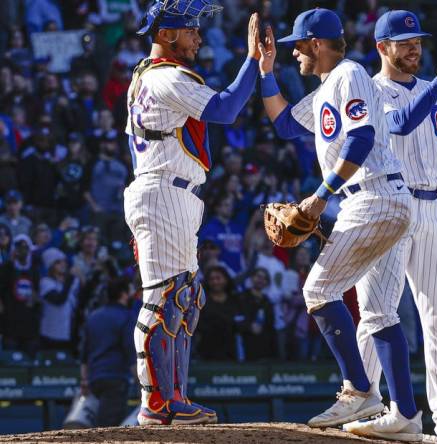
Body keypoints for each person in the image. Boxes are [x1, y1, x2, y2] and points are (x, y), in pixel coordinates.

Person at [256, 9, 421, 440]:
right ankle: (405, 415)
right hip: (381, 199)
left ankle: (359, 389)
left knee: (318, 290)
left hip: (372, 197)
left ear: (316, 43)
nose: (294, 52)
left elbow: (361, 137)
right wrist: (266, 71)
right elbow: (286, 124)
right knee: (380, 312)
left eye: (298, 44)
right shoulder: (331, 84)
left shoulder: (348, 73)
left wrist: (320, 195)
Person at [124, 0, 261, 425]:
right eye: (190, 29)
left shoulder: (150, 76)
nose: (198, 36)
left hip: (172, 192)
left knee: (185, 297)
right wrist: (253, 61)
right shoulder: (165, 75)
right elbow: (225, 108)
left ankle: (174, 397)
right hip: (163, 190)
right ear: (166, 35)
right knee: (166, 296)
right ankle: (157, 402)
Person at [349, 10, 437, 443]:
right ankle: (361, 397)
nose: (414, 48)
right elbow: (400, 123)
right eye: (404, 43)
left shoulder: (432, 91)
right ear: (382, 47)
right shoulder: (370, 89)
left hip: (433, 208)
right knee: (378, 312)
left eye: (417, 41)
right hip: (390, 206)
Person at [79, 278, 135, 427]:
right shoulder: (127, 316)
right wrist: (141, 381)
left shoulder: (93, 316)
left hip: (94, 379)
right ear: (123, 294)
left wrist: (84, 380)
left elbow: (84, 354)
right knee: (109, 428)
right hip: (115, 379)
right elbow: (130, 352)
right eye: (130, 291)